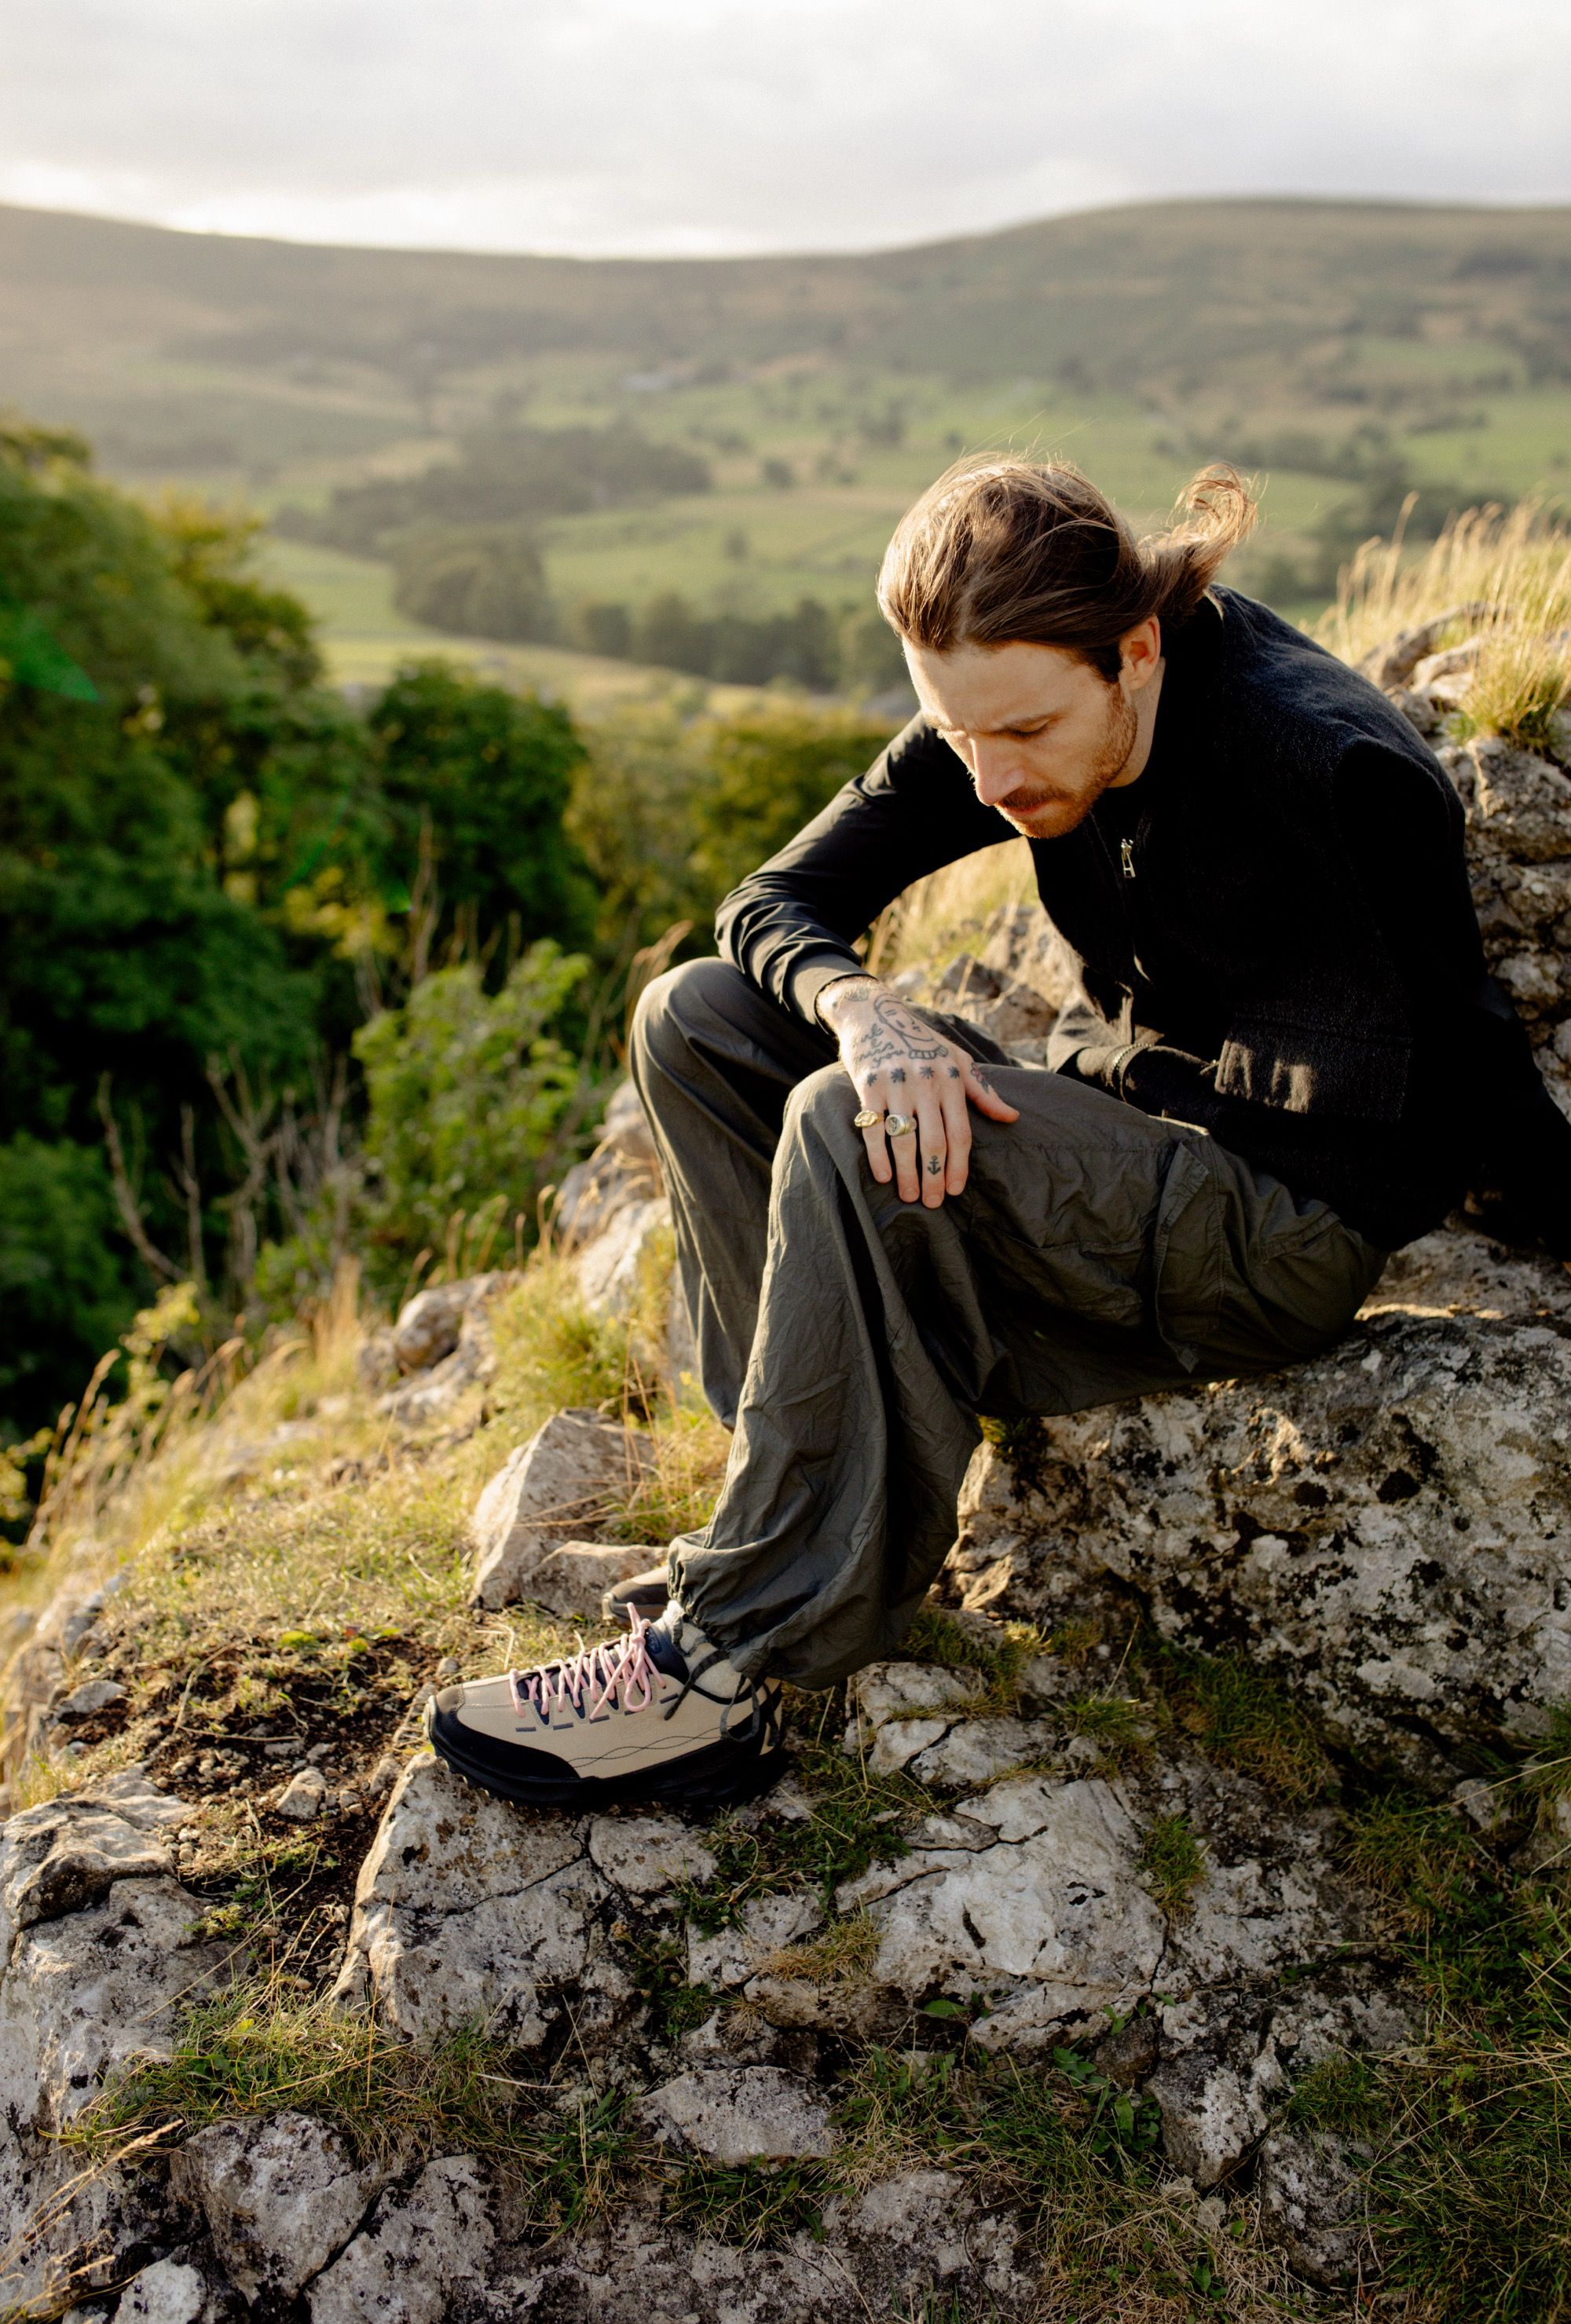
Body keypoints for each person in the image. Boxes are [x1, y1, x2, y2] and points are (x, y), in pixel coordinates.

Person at [430, 458, 1571, 1810]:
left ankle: (719, 1667)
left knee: (856, 1123)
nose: (988, 779)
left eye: (1020, 733)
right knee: (702, 1017)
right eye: (956, 737)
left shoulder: (1326, 767)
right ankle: (790, 1494)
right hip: (1135, 1137)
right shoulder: (1002, 707)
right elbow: (774, 900)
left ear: (1134, 649)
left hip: (1277, 1225)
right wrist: (862, 1007)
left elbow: (1461, 1065)